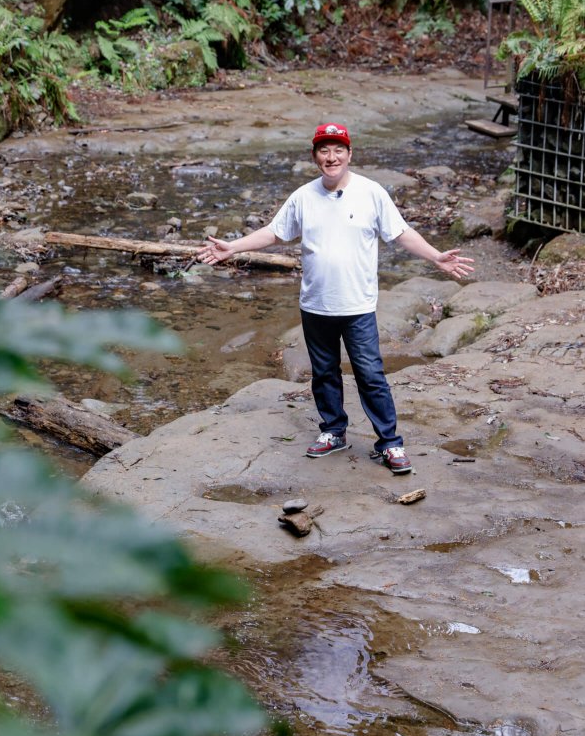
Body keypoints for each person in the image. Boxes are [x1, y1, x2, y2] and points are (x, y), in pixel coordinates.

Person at [198, 122, 475, 473]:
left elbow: (400, 233)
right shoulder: (303, 196)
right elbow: (274, 232)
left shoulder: (371, 192)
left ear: (349, 153)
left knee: (370, 374)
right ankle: (333, 431)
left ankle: (389, 443)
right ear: (315, 156)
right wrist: (232, 247)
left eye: (338, 149)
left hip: (357, 306)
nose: (332, 157)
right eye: (324, 150)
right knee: (324, 373)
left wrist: (436, 257)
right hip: (316, 305)